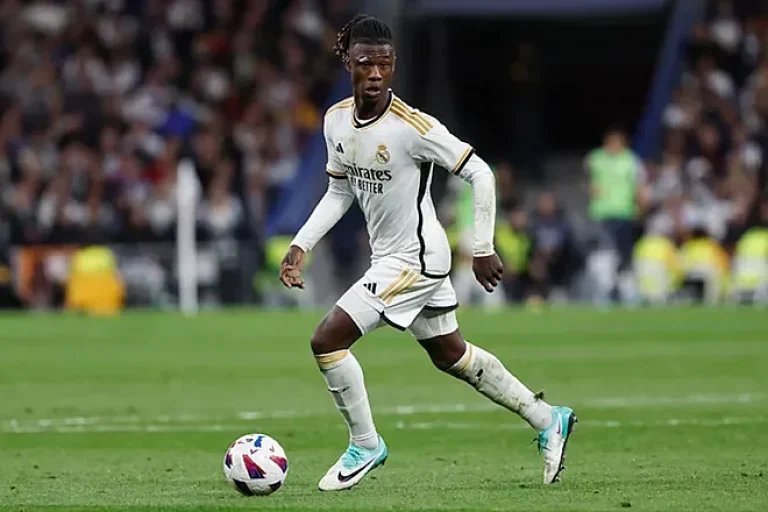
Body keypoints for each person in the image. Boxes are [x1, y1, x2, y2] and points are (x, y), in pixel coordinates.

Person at [278, 15, 577, 491]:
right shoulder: (335, 120)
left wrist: (482, 246)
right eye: (365, 63)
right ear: (348, 63)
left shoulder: (413, 127)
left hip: (415, 259)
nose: (375, 74)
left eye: (385, 64)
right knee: (452, 355)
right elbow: (339, 192)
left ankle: (365, 444)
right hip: (393, 258)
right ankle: (548, 418)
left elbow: (481, 172)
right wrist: (300, 245)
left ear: (394, 66)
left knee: (327, 340)